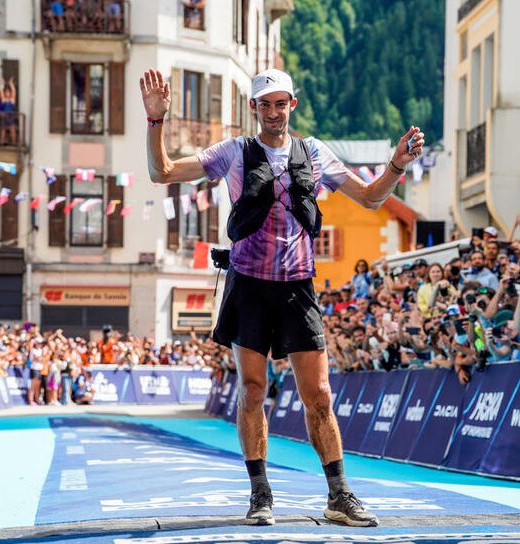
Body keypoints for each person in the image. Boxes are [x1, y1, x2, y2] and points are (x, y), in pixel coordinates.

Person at [140, 67, 424, 526]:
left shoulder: (314, 153)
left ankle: (339, 494)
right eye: (264, 104)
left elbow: (372, 198)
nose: (273, 112)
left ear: (293, 105)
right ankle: (260, 494)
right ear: (253, 109)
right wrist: (156, 123)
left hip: (298, 287)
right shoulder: (234, 152)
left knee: (320, 394)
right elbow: (162, 173)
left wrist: (395, 166)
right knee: (253, 391)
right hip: (249, 285)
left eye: (281, 103)